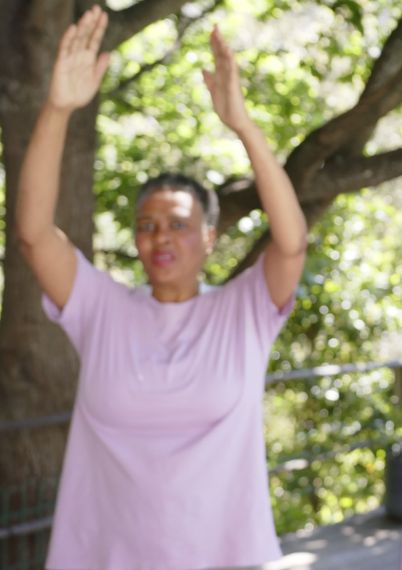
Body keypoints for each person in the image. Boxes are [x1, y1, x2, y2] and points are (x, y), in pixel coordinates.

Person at [15, 7, 307, 568]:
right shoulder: (99, 308)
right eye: (146, 226)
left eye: (177, 224)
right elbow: (32, 234)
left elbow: (291, 242)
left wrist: (243, 125)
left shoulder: (243, 311)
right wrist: (57, 108)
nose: (160, 237)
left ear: (209, 237)